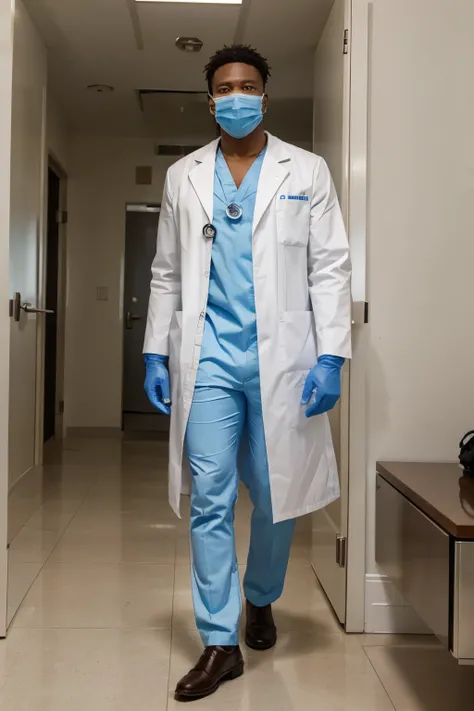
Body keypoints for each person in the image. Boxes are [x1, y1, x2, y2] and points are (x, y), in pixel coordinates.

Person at [143, 44, 351, 702]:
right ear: (210, 99)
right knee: (211, 499)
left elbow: (331, 266)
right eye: (225, 87)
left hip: (283, 360)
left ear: (266, 93)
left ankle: (260, 596)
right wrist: (154, 348)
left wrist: (332, 353)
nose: (237, 96)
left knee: (276, 493)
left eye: (249, 85)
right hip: (206, 358)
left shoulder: (307, 171)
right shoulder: (184, 176)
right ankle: (220, 640)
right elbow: (168, 271)